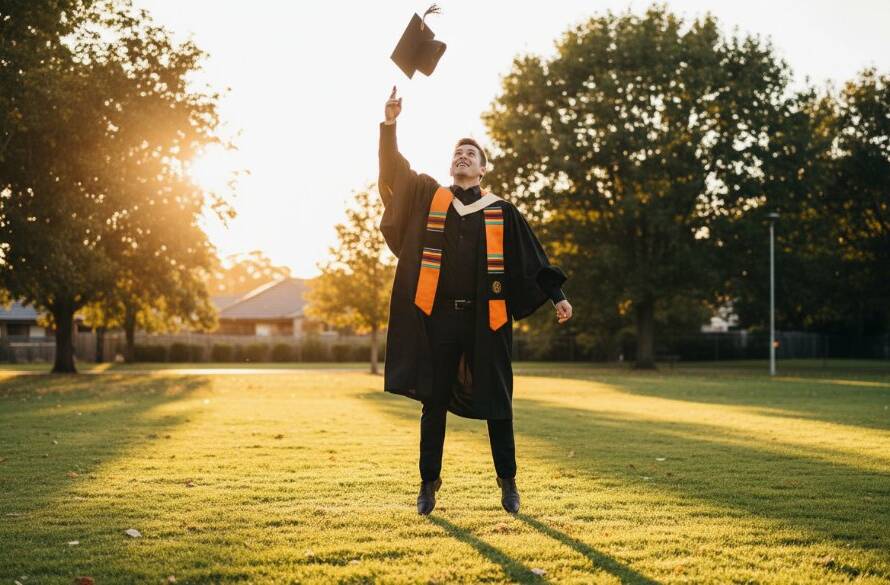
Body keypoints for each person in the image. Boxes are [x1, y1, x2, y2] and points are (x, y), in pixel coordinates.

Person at [378, 86, 573, 515]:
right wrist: (390, 124)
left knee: (498, 403)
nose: (462, 156)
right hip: (439, 319)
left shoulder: (501, 210)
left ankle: (509, 483)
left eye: (471, 153)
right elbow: (396, 171)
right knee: (434, 402)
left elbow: (532, 259)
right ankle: (428, 485)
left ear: (483, 169)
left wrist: (556, 296)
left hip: (489, 320)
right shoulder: (431, 196)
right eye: (458, 152)